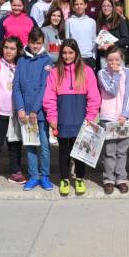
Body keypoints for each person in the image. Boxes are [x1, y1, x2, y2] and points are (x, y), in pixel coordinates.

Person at [43, 39, 101, 197]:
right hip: (63, 116)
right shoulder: (55, 72)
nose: (67, 56)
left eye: (71, 53)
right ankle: (64, 179)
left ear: (76, 54)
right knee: (63, 150)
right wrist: (52, 117)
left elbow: (94, 96)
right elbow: (49, 97)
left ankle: (80, 178)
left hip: (81, 116)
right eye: (64, 53)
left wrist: (90, 116)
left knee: (80, 150)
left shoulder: (86, 70)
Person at [13, 27, 54, 191]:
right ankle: (33, 175)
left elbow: (45, 87)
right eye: (32, 43)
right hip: (25, 113)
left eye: (38, 43)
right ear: (27, 42)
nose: (35, 46)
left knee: (43, 146)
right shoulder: (22, 61)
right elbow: (16, 87)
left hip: (39, 113)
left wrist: (34, 111)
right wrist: (21, 109)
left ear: (42, 43)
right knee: (30, 145)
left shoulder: (47, 61)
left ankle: (44, 175)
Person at [0, 36, 25, 188]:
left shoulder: (22, 65)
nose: (8, 51)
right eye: (6, 47)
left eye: (12, 48)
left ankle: (15, 171)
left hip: (16, 111)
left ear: (18, 51)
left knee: (15, 143)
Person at [97, 46, 129, 194]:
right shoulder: (102, 73)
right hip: (108, 117)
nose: (114, 63)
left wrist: (125, 114)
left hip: (124, 117)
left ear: (122, 59)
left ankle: (121, 179)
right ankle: (108, 179)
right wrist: (116, 74)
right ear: (106, 60)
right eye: (111, 60)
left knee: (122, 151)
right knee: (109, 151)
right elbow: (111, 91)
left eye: (117, 60)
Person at [96, 0, 129, 67]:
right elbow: (98, 38)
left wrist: (112, 44)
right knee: (106, 77)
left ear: (113, 7)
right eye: (104, 6)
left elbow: (126, 39)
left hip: (117, 56)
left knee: (119, 77)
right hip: (104, 56)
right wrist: (99, 46)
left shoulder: (120, 20)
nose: (106, 8)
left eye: (109, 6)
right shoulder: (99, 21)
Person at [65, 0, 98, 69]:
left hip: (89, 57)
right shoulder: (69, 21)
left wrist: (94, 57)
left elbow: (94, 40)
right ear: (73, 7)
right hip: (75, 57)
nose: (79, 6)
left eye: (81, 4)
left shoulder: (91, 21)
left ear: (85, 5)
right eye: (76, 4)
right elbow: (67, 40)